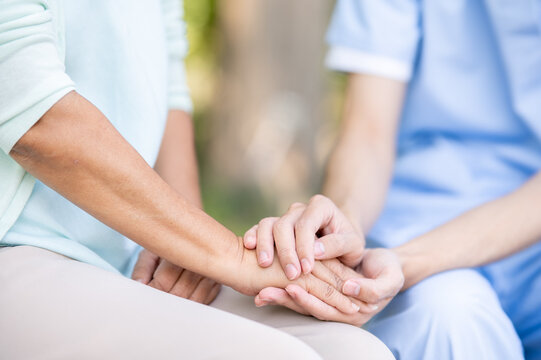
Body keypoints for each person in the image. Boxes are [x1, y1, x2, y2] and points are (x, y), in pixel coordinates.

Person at [0, 1, 395, 359]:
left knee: (358, 353)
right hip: (19, 250)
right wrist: (233, 257)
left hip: (129, 256)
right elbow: (36, 116)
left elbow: (168, 74)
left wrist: (185, 253)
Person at [244, 0, 541, 359]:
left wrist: (405, 262)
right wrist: (345, 223)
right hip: (421, 218)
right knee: (445, 317)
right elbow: (368, 131)